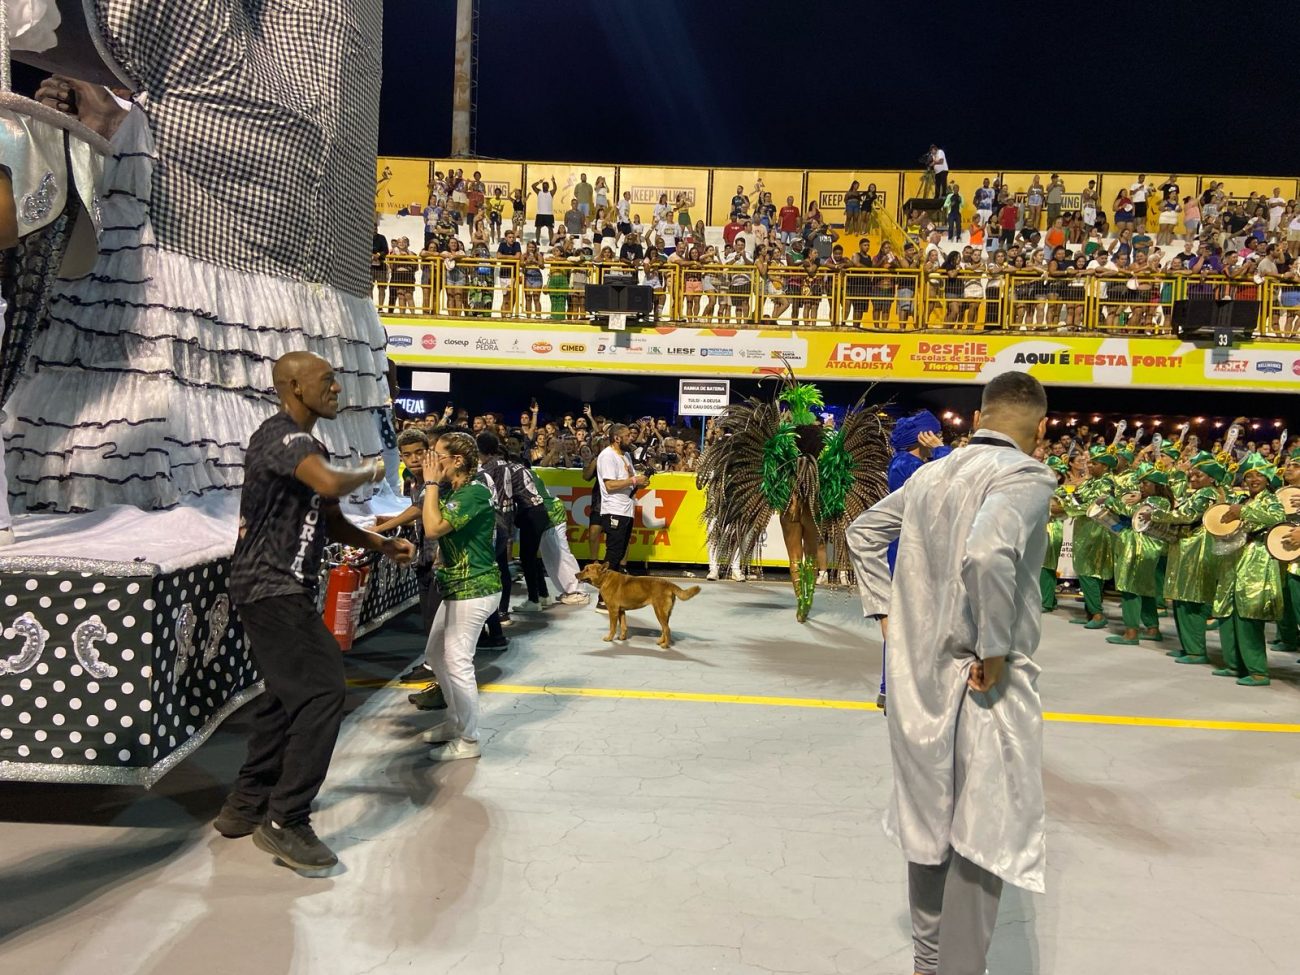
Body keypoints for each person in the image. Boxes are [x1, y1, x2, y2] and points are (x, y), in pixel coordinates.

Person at [846, 371, 1055, 975]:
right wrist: (993, 647)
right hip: (982, 677)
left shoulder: (932, 473)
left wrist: (887, 614)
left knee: (927, 817)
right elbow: (988, 553)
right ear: (1040, 427)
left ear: (981, 416)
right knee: (983, 827)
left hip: (918, 675)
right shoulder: (1025, 476)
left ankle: (929, 962)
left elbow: (864, 535)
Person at [216, 352, 415, 872]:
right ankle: (286, 820)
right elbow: (328, 484)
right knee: (324, 690)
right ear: (295, 387)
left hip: (281, 589)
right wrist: (373, 468)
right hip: (270, 586)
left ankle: (245, 807)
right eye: (326, 381)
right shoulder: (285, 437)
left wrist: (378, 542)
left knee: (286, 699)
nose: (336, 388)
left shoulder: (308, 445)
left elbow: (327, 517)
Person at [697, 374, 890, 623]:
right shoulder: (821, 445)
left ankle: (801, 600)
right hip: (813, 501)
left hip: (790, 502)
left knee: (795, 557)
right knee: (811, 553)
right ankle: (808, 598)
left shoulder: (783, 445)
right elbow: (831, 470)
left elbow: (771, 465)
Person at [416, 431, 502, 758]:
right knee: (436, 656)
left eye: (438, 455)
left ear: (457, 461)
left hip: (475, 588)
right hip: (458, 588)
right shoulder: (460, 489)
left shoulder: (474, 493)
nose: (431, 461)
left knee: (457, 661)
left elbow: (433, 528)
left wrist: (430, 485)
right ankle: (455, 721)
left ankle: (469, 740)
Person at [1210, 453, 1287, 686]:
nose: (1253, 480)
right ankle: (1234, 664)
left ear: (1268, 479)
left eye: (1259, 476)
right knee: (1228, 611)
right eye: (1249, 476)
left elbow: (1277, 517)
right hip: (1234, 558)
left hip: (1256, 559)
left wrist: (1241, 512)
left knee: (1248, 615)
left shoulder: (1270, 500)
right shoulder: (1243, 499)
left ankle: (1258, 671)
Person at [1152, 451, 1228, 665]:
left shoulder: (1207, 495)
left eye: (1198, 475)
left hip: (1199, 549)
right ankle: (1188, 646)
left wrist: (1155, 515)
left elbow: (1187, 515)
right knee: (1181, 598)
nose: (1192, 479)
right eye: (1191, 475)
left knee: (1193, 600)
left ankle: (1196, 650)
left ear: (1211, 478)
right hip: (1186, 548)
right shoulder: (1196, 494)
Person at [1103, 465, 1173, 645]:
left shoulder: (1159, 502)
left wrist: (1111, 501)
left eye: (1146, 483)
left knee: (1129, 588)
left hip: (1141, 549)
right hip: (1145, 548)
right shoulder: (1154, 500)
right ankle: (1152, 629)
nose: (1141, 486)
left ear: (1157, 485)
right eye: (1141, 482)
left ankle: (1131, 632)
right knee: (1145, 589)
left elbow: (1133, 514)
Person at [1058, 446, 1118, 627]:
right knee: (1089, 571)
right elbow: (1078, 496)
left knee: (1089, 571)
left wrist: (1065, 498)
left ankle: (1097, 614)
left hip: (1096, 531)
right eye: (1089, 462)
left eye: (1094, 463)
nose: (1089, 465)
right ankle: (1091, 612)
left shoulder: (1106, 483)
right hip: (1084, 530)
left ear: (1105, 467)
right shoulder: (1091, 481)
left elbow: (1090, 506)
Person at [595, 425, 647, 609]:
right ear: (616, 438)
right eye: (626, 436)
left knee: (619, 554)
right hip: (614, 510)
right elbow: (609, 485)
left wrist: (641, 481)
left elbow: (630, 483)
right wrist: (634, 480)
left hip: (626, 509)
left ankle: (612, 595)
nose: (631, 438)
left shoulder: (625, 456)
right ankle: (602, 598)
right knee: (613, 554)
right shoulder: (607, 456)